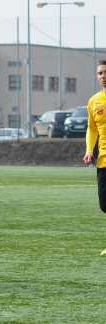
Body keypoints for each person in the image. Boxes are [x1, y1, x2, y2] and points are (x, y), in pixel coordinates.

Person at [83, 60, 106, 257]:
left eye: (105, 72)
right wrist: (89, 150)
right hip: (103, 161)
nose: (102, 76)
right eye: (99, 73)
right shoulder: (94, 101)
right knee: (105, 205)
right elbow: (92, 128)